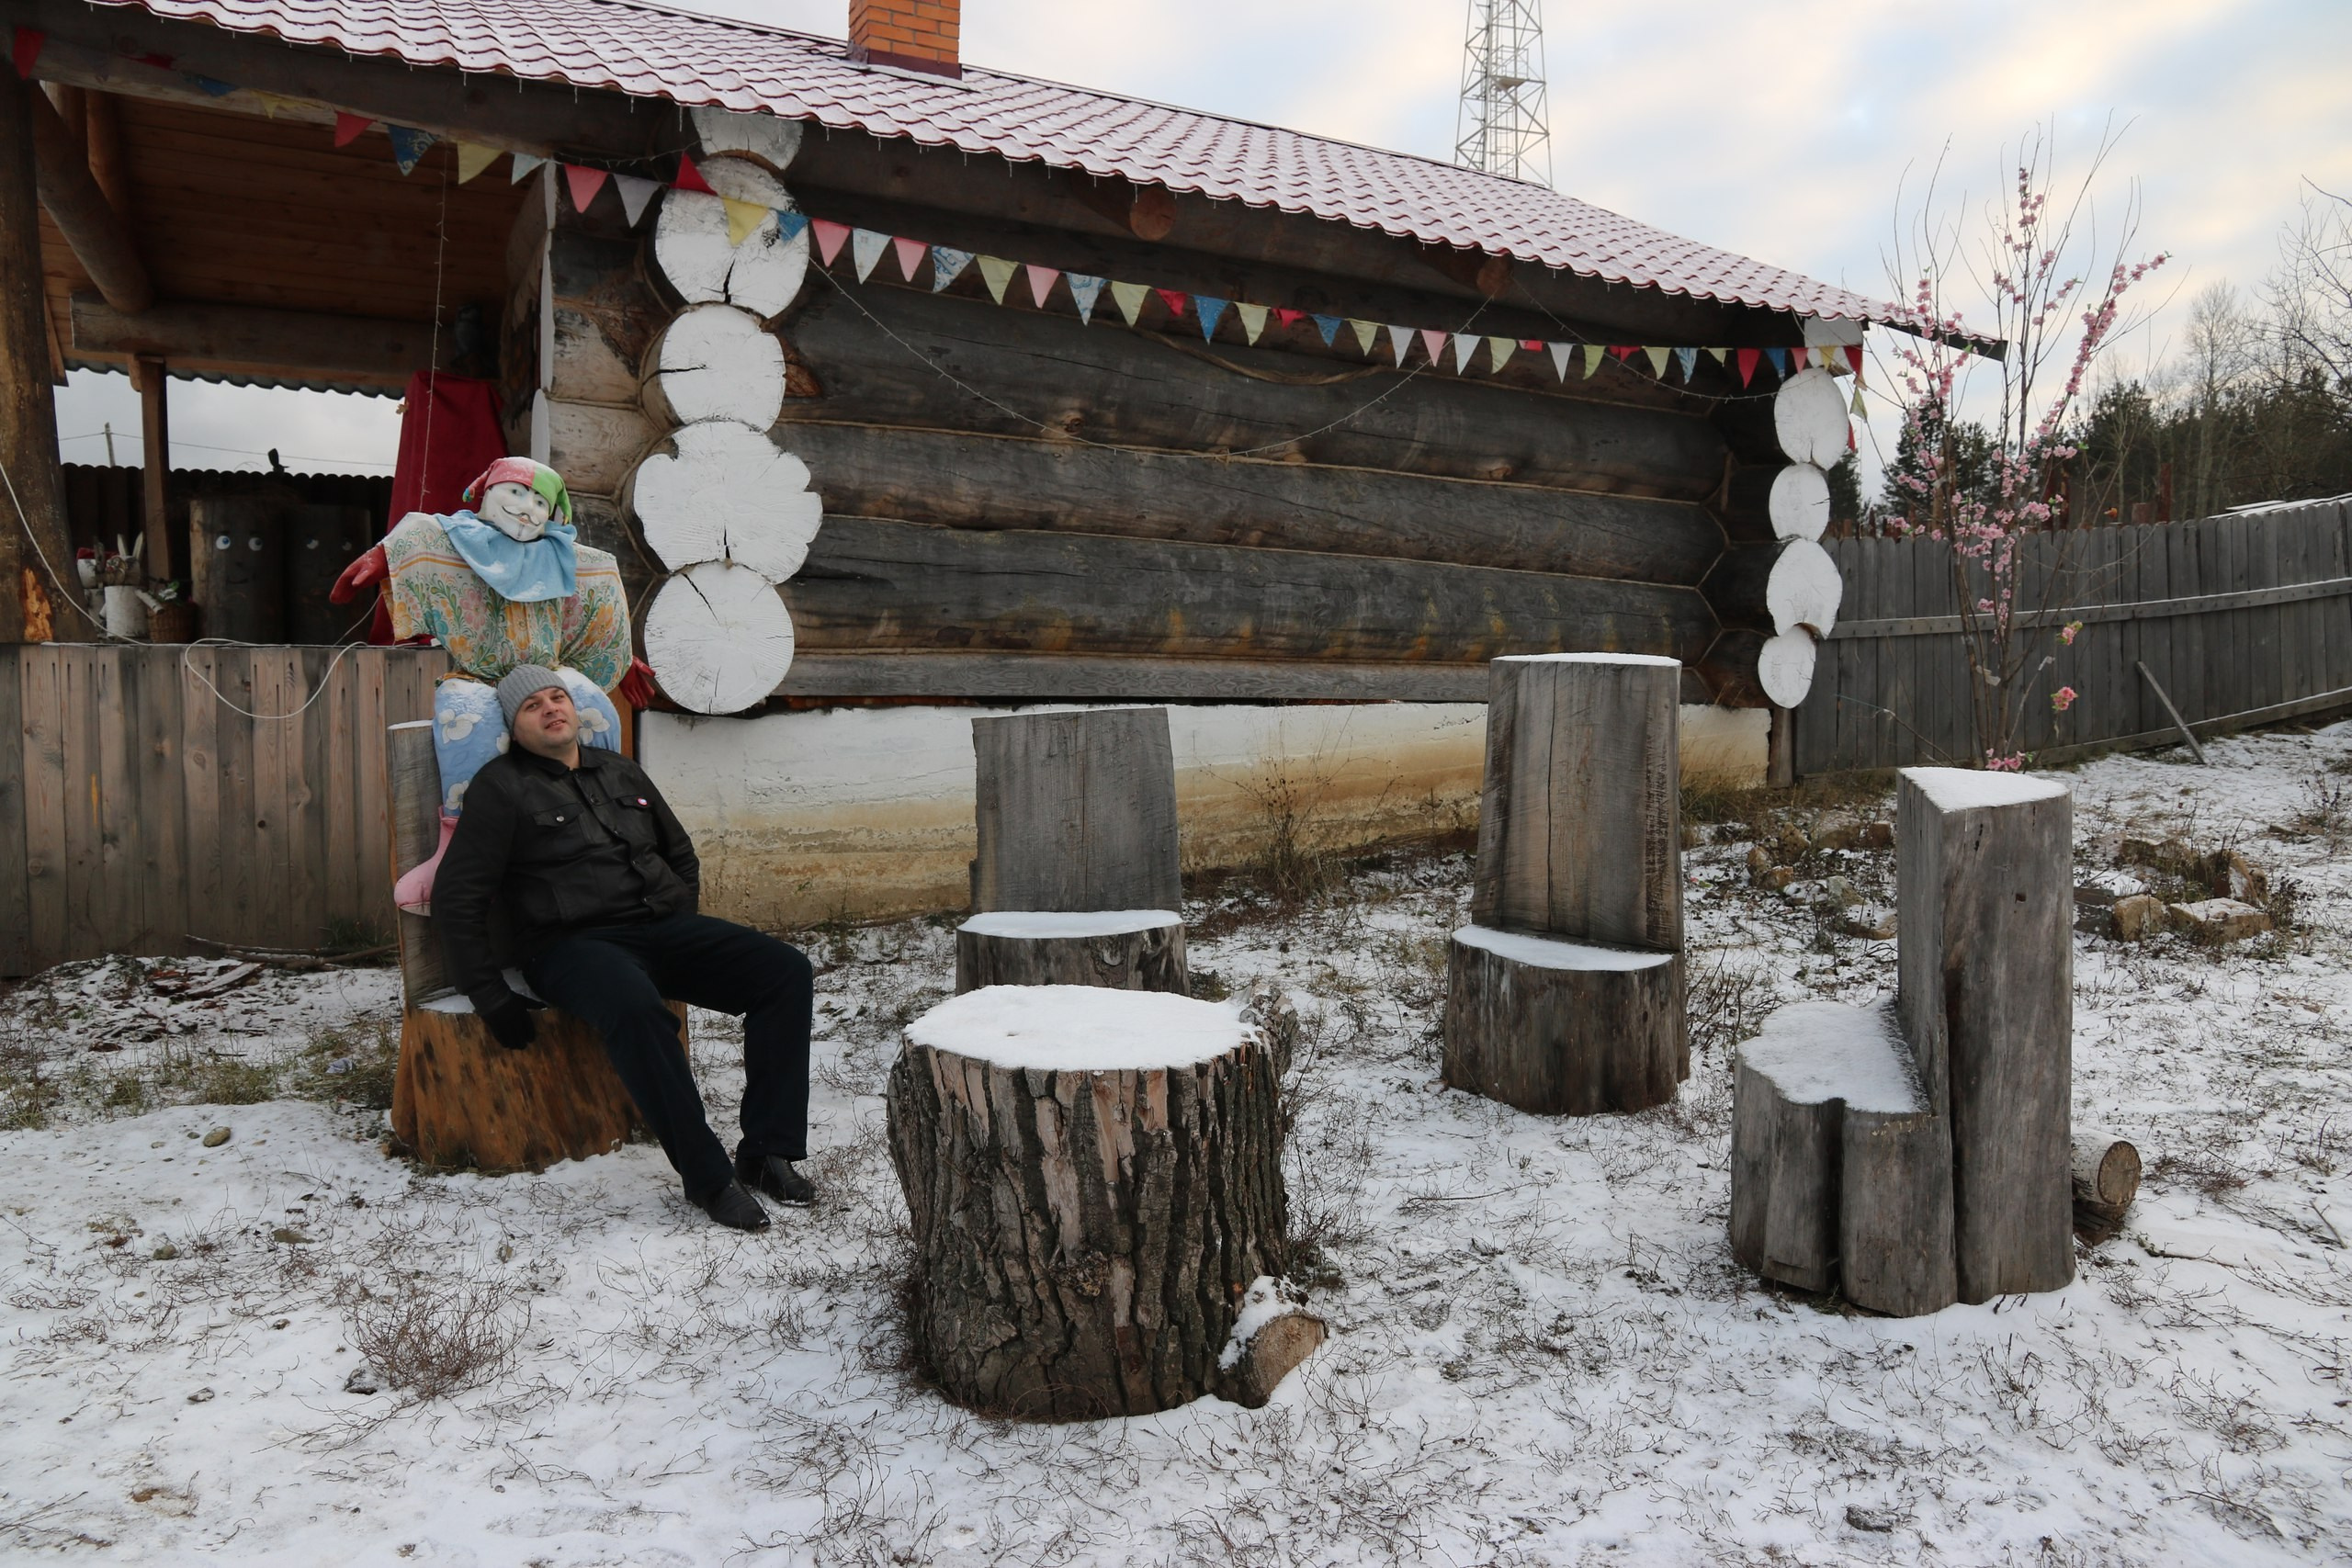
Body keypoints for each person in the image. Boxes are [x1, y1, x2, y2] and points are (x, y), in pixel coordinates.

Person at [431, 664, 814, 1231]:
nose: (552, 708)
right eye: (534, 705)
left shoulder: (621, 770)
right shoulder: (501, 786)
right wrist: (488, 994)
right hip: (570, 947)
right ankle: (708, 1178)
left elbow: (678, 853)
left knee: (784, 972)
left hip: (658, 928)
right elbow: (458, 897)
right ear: (515, 725)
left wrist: (679, 924)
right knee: (637, 1010)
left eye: (558, 697)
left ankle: (767, 1152)